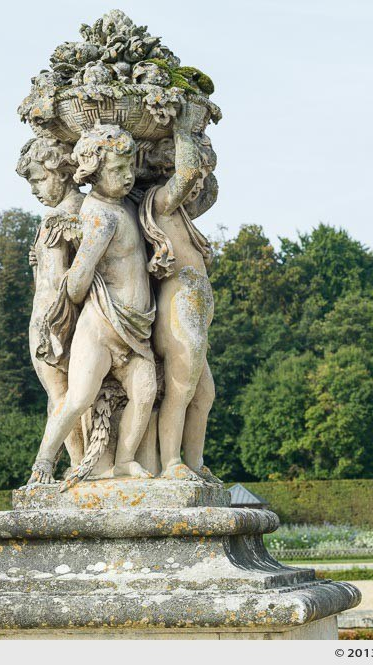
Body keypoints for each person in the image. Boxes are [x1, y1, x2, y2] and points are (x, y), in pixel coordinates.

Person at [28, 123, 157, 484]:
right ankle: (44, 461)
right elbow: (78, 281)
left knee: (145, 392)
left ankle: (125, 459)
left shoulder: (124, 205)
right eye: (118, 170)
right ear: (93, 172)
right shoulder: (100, 215)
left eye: (130, 167)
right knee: (78, 397)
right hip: (101, 328)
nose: (128, 176)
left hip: (134, 328)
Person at [137, 101, 219, 482]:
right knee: (181, 388)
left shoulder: (182, 215)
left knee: (203, 395)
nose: (197, 181)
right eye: (194, 174)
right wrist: (184, 129)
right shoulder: (161, 203)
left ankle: (196, 463)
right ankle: (170, 462)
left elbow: (199, 186)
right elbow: (186, 178)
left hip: (195, 309)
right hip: (178, 311)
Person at [16, 138, 85, 470]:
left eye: (38, 179)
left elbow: (61, 281)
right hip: (47, 319)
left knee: (62, 399)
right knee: (60, 398)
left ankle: (69, 464)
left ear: (63, 172)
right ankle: (78, 463)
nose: (34, 190)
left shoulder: (66, 215)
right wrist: (37, 265)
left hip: (55, 321)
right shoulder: (61, 216)